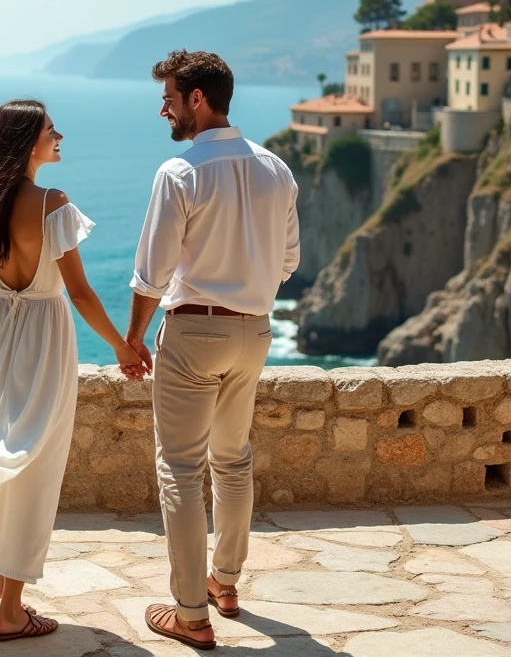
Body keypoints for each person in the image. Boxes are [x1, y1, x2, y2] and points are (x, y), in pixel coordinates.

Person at [0, 99, 148, 643]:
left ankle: (4, 583)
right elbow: (79, 293)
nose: (60, 136)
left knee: (5, 446)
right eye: (50, 130)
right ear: (27, 143)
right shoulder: (52, 205)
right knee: (34, 464)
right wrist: (121, 348)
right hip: (43, 337)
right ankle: (11, 612)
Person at [125, 51, 301, 650]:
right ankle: (224, 583)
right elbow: (288, 261)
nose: (164, 110)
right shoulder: (276, 168)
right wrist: (247, 285)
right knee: (233, 459)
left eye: (169, 98)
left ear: (197, 99)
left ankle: (190, 615)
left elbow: (152, 274)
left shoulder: (179, 171)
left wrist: (133, 339)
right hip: (254, 332)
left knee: (179, 468)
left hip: (195, 332)